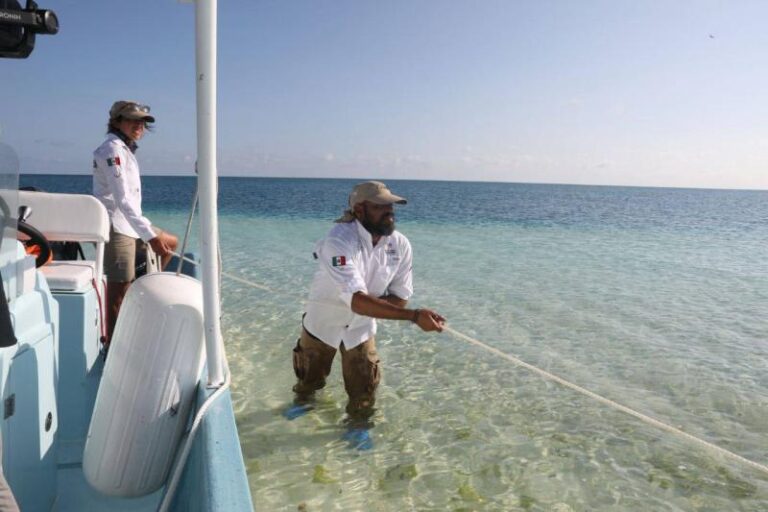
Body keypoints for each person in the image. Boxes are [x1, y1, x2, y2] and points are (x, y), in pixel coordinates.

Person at [288, 181, 445, 439]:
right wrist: (414, 317)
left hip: (361, 329)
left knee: (364, 392)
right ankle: (302, 405)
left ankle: (358, 428)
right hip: (322, 324)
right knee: (309, 381)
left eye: (391, 206)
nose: (389, 212)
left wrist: (369, 305)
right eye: (380, 206)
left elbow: (400, 298)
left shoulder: (401, 245)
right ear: (359, 210)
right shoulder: (337, 240)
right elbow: (359, 301)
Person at [93, 101, 178, 345]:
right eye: (133, 120)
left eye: (142, 122)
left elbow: (130, 202)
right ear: (117, 121)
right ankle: (114, 345)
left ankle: (139, 300)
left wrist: (148, 230)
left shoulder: (126, 149)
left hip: (131, 223)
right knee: (118, 291)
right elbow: (122, 201)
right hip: (116, 226)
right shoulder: (112, 150)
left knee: (171, 242)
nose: (139, 125)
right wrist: (151, 236)